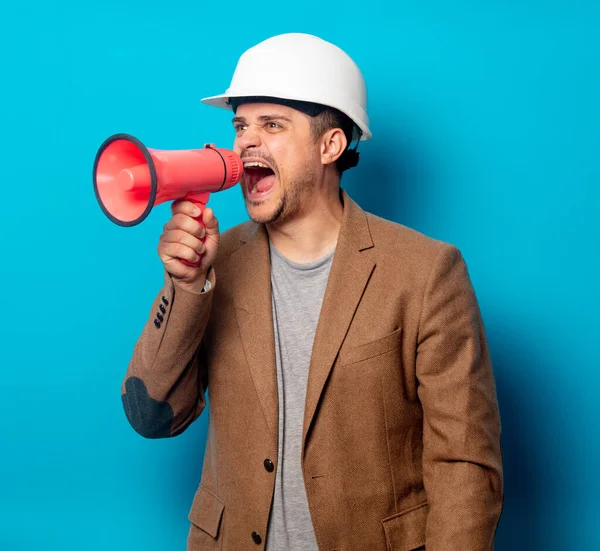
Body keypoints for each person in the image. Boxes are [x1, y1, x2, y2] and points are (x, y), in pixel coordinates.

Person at [121, 33, 503, 550]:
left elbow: (464, 464)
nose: (245, 143)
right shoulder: (217, 262)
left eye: (272, 125)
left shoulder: (426, 273)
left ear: (331, 145)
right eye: (240, 125)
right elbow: (151, 416)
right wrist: (187, 286)